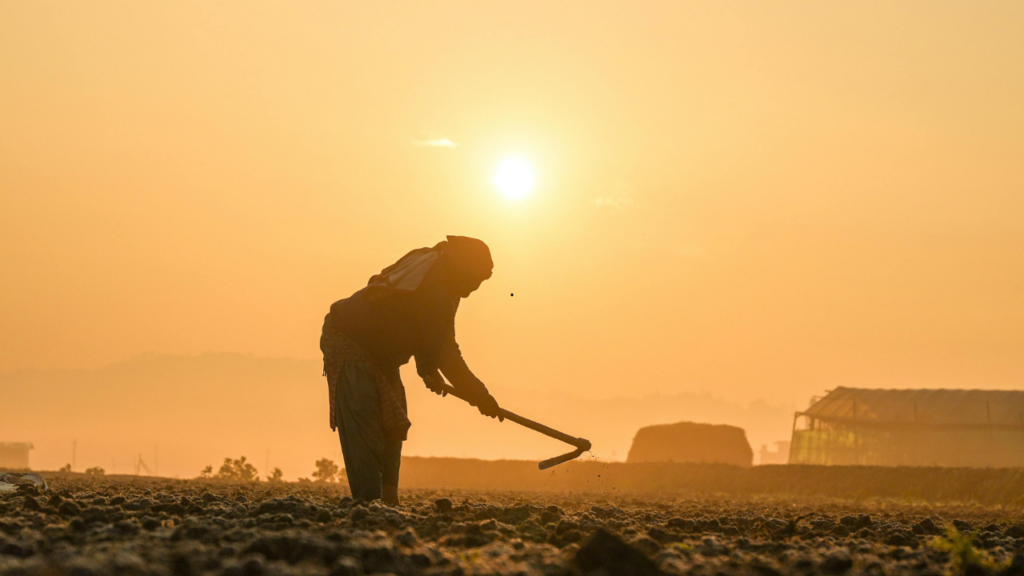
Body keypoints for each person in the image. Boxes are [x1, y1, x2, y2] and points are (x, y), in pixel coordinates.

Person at [319, 236, 502, 505]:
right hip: (348, 340)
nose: (475, 288)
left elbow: (421, 328)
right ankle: (369, 505)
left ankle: (388, 504)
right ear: (463, 268)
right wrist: (481, 396)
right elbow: (446, 352)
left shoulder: (439, 274)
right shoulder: (436, 287)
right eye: (475, 279)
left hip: (383, 355)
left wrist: (427, 368)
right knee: (365, 422)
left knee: (393, 424)